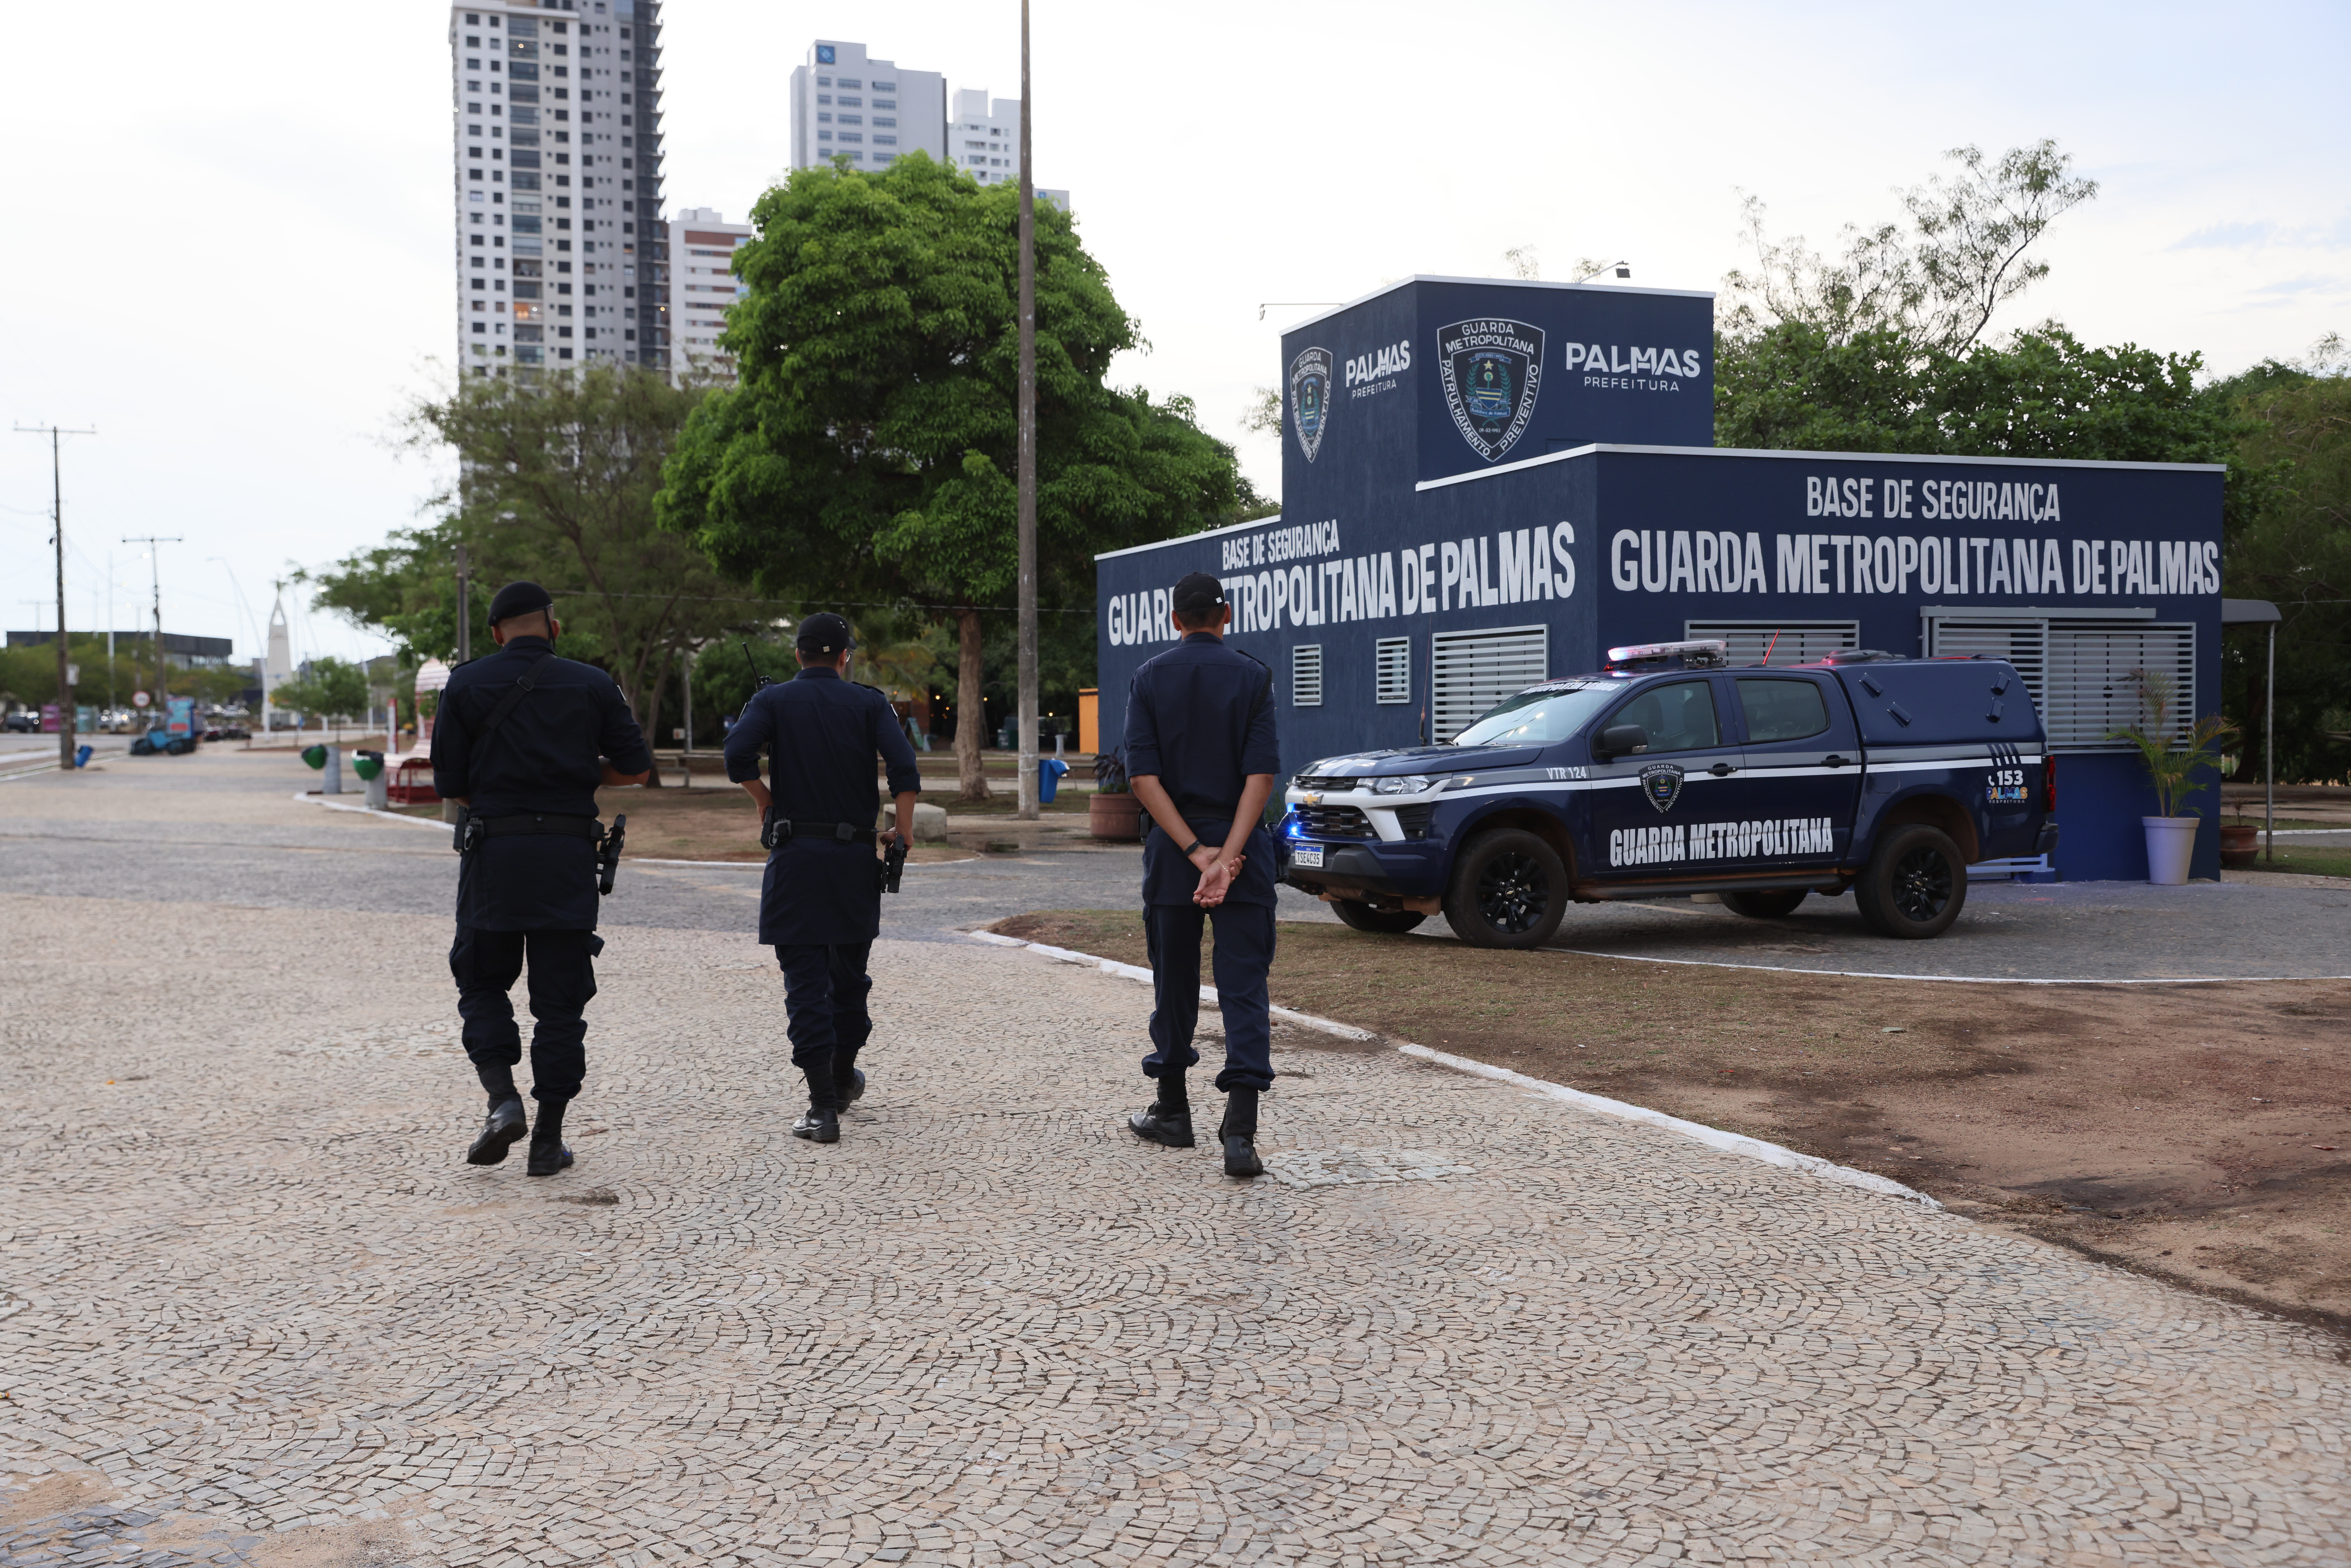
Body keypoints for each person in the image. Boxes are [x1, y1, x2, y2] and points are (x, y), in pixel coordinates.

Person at [430, 581, 653, 1177]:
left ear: (496, 633)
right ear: (554, 627)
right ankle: (549, 1141)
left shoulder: (465, 684)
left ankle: (502, 1101)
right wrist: (577, 772)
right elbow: (636, 768)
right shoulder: (593, 683)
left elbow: (450, 783)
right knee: (561, 1007)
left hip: (494, 857)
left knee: (482, 982)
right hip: (565, 857)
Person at [722, 612, 922, 1144]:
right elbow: (904, 769)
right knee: (850, 979)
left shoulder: (772, 701)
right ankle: (841, 1076)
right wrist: (902, 831)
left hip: (795, 860)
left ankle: (822, 1107)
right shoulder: (870, 703)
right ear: (845, 657)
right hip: (853, 859)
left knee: (805, 985)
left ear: (798, 655)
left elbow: (737, 755)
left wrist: (765, 800)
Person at [1121, 571, 1281, 1179]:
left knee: (1174, 985)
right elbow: (1261, 777)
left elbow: (1142, 778)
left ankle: (1173, 1112)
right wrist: (1228, 857)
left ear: (1174, 619)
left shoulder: (1149, 677)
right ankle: (1240, 1136)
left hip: (1174, 854)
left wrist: (1195, 853)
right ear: (1227, 614)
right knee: (1244, 988)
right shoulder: (1254, 676)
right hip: (1244, 854)